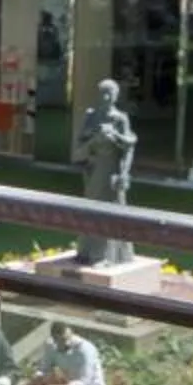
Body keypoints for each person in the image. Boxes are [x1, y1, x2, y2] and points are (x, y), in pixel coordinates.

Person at [71, 79, 139, 265]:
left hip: (112, 172)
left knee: (111, 210)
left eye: (110, 93)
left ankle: (108, 255)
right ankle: (87, 251)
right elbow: (79, 147)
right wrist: (95, 139)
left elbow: (129, 145)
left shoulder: (120, 118)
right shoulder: (91, 116)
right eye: (103, 93)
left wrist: (114, 136)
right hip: (94, 170)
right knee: (90, 208)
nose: (106, 97)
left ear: (116, 95)